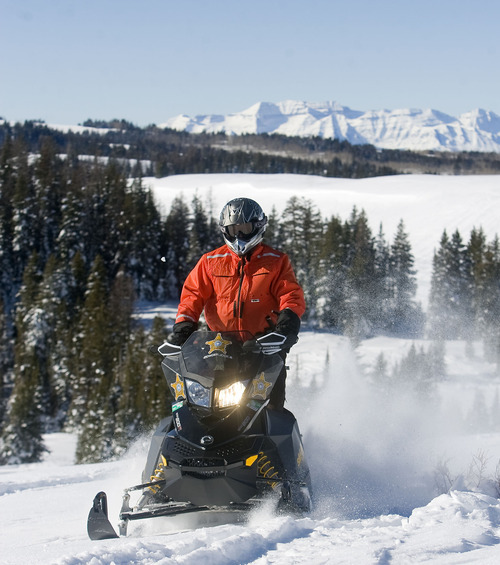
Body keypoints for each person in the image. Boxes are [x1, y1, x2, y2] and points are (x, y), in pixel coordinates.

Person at [168, 197, 306, 409]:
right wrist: (183, 329)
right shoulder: (210, 262)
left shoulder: (276, 261)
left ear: (258, 227)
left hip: (264, 345)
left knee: (268, 405)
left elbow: (291, 295)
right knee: (199, 400)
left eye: (245, 228)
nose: (239, 235)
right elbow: (191, 296)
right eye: (234, 229)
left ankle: (279, 438)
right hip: (218, 346)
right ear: (225, 230)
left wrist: (287, 326)